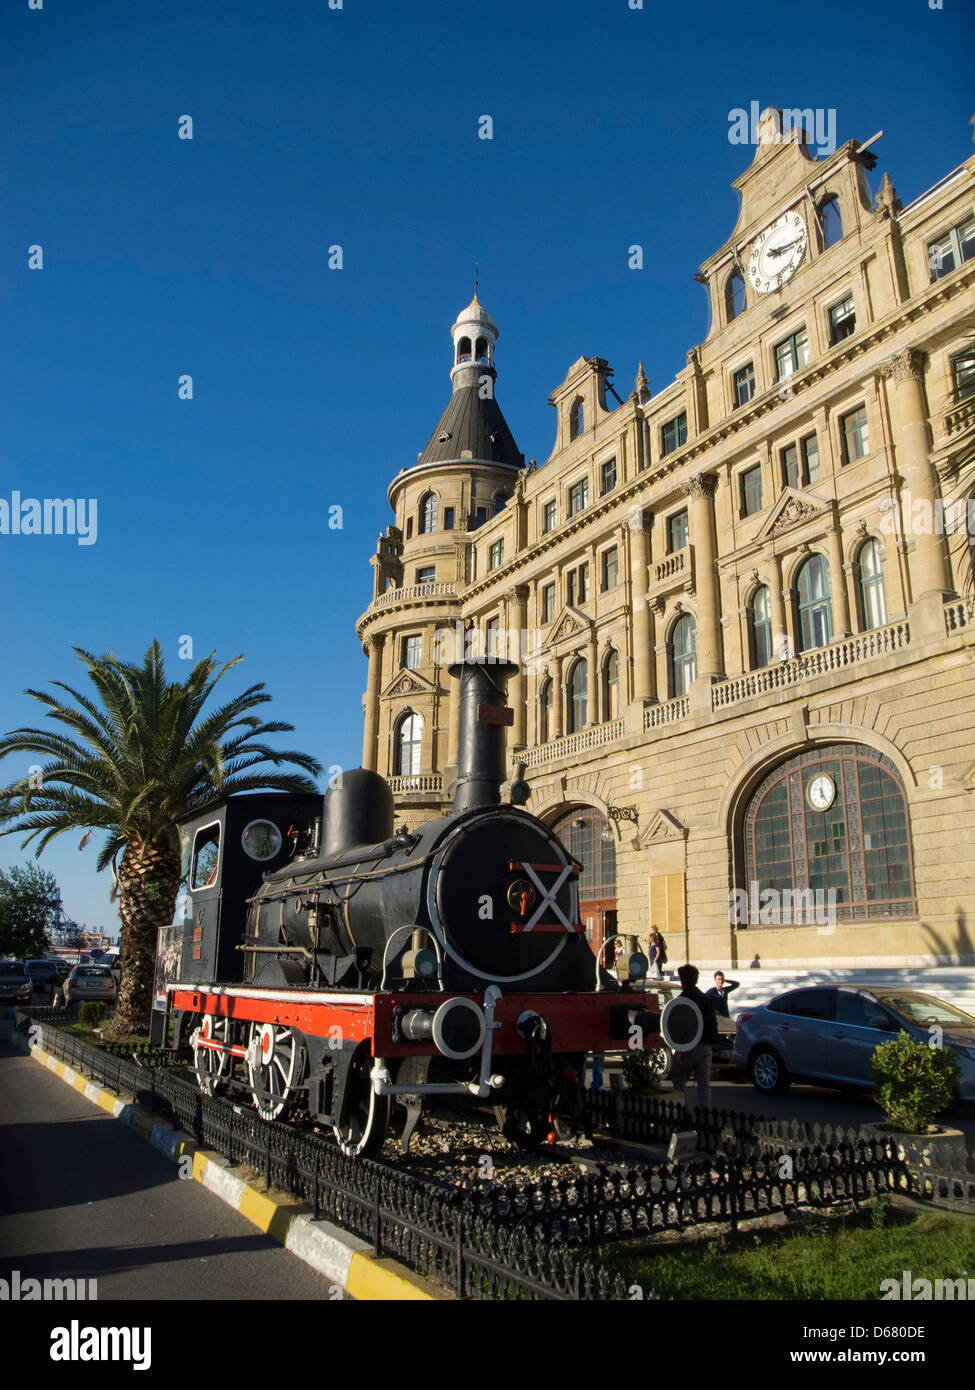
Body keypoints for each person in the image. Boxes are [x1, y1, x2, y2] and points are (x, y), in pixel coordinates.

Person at [668, 964, 719, 1111]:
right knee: (704, 1085)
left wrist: (678, 1049)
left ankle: (684, 1112)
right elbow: (712, 1023)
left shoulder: (682, 1000)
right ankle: (705, 1116)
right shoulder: (705, 998)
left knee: (678, 1080)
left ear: (683, 980)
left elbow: (676, 1027)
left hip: (687, 1047)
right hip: (705, 1047)